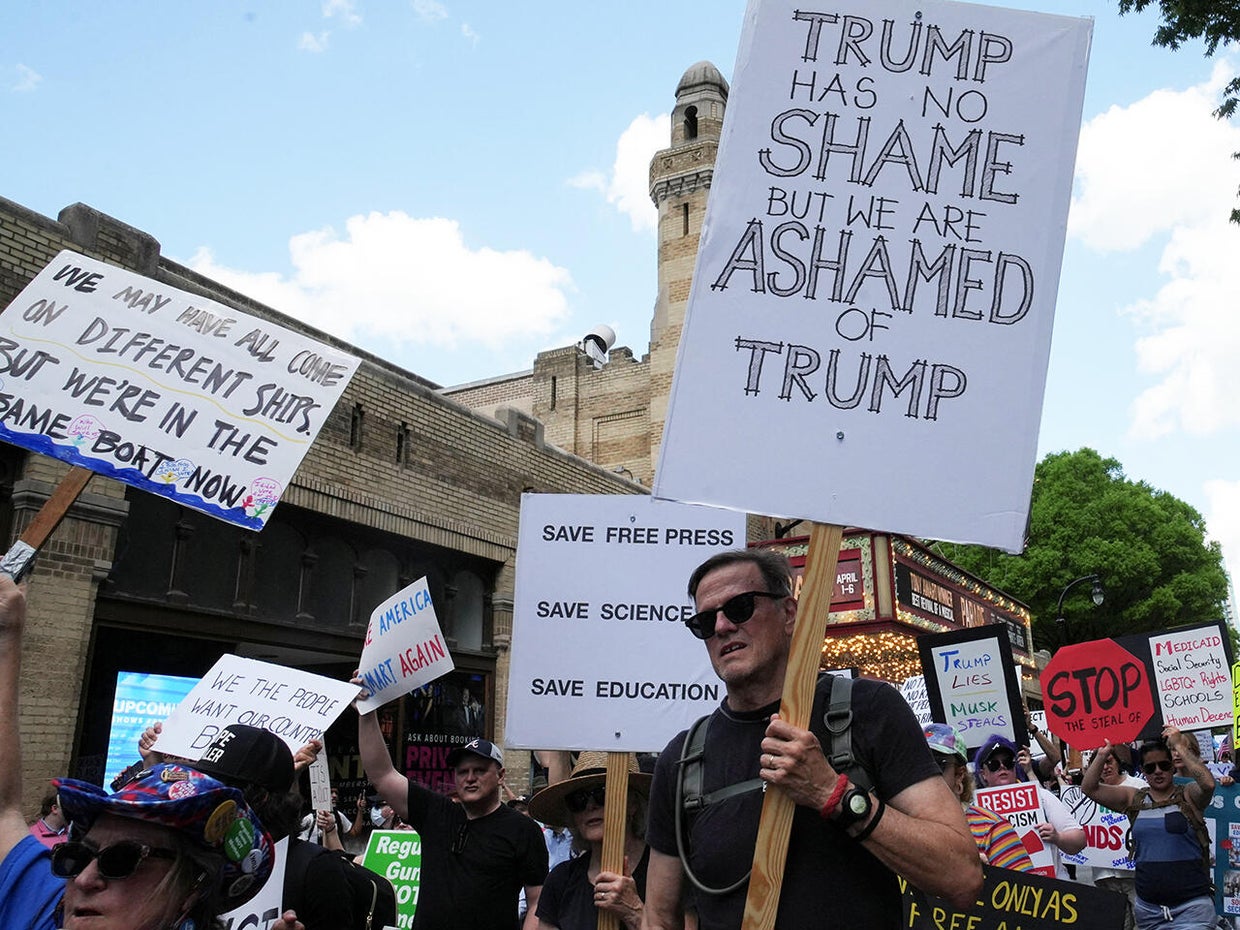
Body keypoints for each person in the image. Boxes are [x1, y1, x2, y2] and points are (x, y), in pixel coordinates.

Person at [643, 549, 982, 930]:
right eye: (705, 620)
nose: (721, 626)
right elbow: (658, 917)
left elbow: (961, 876)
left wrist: (833, 794)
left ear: (788, 613)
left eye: (740, 607)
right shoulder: (683, 760)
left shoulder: (868, 711)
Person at [0, 572, 304, 930]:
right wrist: (8, 636)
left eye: (123, 860)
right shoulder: (44, 907)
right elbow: (4, 810)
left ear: (192, 888)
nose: (84, 879)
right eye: (75, 856)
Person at [354, 673, 548, 930]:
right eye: (462, 772)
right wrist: (366, 712)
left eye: (479, 770)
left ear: (501, 775)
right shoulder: (436, 812)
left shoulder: (523, 830)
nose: (469, 778)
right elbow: (382, 775)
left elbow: (536, 901)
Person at [1082, 729, 1214, 930]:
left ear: (1171, 767)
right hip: (1149, 912)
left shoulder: (1189, 795)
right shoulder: (1134, 798)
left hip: (1192, 909)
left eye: (1164, 765)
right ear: (1143, 771)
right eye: (1150, 768)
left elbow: (1208, 784)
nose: (1158, 771)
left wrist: (1179, 745)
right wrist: (1102, 754)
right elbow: (1089, 788)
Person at [529, 752, 650, 930]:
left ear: (632, 804)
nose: (590, 805)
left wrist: (634, 912)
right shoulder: (561, 880)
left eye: (602, 794)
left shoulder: (665, 873)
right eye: (578, 800)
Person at [923, 723, 1034, 872]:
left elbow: (1024, 893)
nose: (925, 773)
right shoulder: (900, 827)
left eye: (937, 764)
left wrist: (984, 876)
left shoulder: (992, 829)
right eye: (917, 765)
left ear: (959, 775)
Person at [973, 734, 1086, 878]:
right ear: (983, 774)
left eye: (1008, 762)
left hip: (1051, 889)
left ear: (1015, 766)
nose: (1002, 767)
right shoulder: (976, 809)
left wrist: (1058, 837)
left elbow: (1079, 841)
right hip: (1002, 893)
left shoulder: (1041, 797)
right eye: (994, 765)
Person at [1078, 744, 1144, 930]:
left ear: (1118, 763)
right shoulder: (1087, 795)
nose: (1105, 767)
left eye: (1109, 761)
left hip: (1135, 875)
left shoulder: (1138, 786)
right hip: (1105, 877)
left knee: (1143, 924)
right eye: (1100, 764)